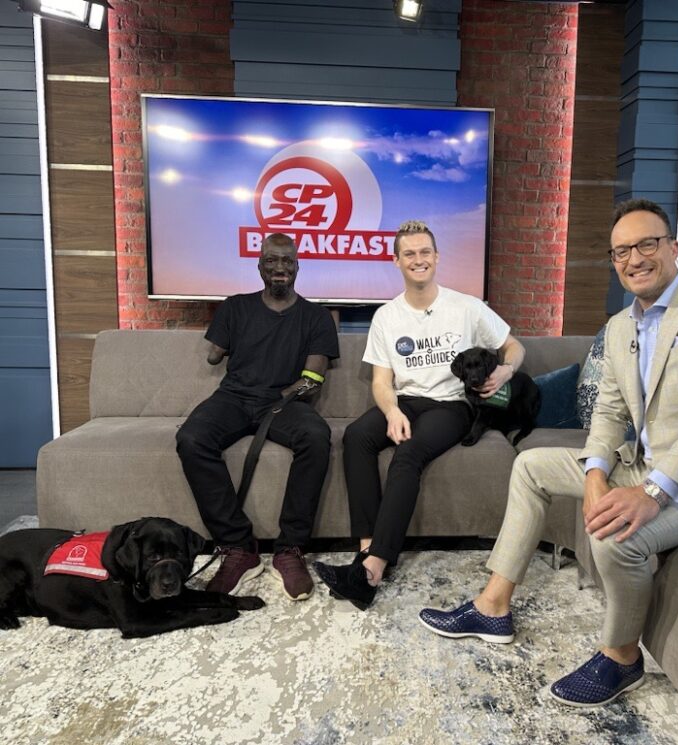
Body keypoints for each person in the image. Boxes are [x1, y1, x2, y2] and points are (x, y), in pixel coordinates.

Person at [419, 198, 678, 707]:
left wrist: (653, 491)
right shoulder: (618, 327)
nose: (634, 258)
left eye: (647, 244)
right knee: (530, 466)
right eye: (620, 252)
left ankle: (621, 658)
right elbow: (610, 413)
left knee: (615, 534)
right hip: (643, 464)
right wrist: (595, 476)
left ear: (674, 248)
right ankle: (492, 605)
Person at [313, 220, 526, 610]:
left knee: (408, 453)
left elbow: (513, 346)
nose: (418, 259)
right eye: (409, 253)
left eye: (425, 252)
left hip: (451, 405)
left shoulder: (467, 307)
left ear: (437, 257)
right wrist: (391, 409)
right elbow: (381, 381)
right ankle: (365, 552)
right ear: (396, 261)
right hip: (406, 400)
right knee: (356, 437)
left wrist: (506, 370)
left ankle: (373, 568)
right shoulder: (387, 316)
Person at [176, 232, 339, 600]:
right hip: (233, 398)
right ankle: (238, 547)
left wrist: (283, 399)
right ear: (259, 265)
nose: (279, 268)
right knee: (191, 438)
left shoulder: (316, 316)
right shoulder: (235, 307)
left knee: (315, 437)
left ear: (298, 266)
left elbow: (313, 377)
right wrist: (223, 344)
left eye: (287, 262)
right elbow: (213, 356)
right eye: (271, 261)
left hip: (286, 403)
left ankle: (290, 549)